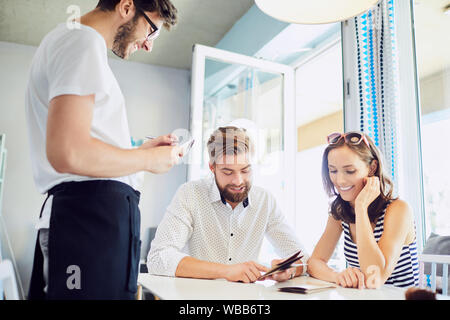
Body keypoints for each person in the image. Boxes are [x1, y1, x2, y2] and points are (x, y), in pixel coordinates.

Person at [25, 0, 180, 300]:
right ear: (126, 7)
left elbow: (82, 142)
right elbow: (69, 151)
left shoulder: (76, 42)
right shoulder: (82, 42)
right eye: (152, 31)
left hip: (90, 221)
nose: (149, 45)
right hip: (87, 221)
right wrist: (147, 159)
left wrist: (136, 150)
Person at [147, 126, 309, 283]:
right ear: (212, 167)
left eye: (245, 170)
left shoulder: (265, 201)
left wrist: (290, 270)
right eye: (227, 172)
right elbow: (158, 258)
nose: (238, 181)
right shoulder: (191, 194)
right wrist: (226, 271)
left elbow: (303, 259)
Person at [308, 132, 419, 289]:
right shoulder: (340, 212)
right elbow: (314, 262)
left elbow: (376, 277)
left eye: (350, 171)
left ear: (372, 168)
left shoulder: (399, 210)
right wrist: (337, 276)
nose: (339, 180)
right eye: (333, 171)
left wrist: (361, 208)